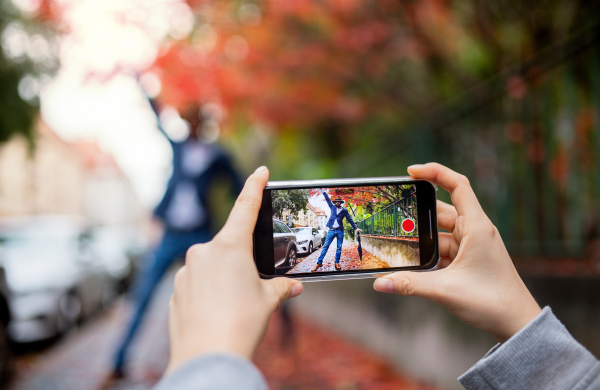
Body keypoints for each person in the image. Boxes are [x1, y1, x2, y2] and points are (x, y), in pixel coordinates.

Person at [153, 164, 600, 390]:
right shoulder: (336, 212)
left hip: (337, 238)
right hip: (333, 237)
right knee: (330, 249)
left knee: (332, 249)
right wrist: (523, 321)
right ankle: (333, 254)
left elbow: (341, 219)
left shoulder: (344, 214)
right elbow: (333, 214)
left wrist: (207, 359)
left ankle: (334, 255)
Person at [107, 102, 243, 381]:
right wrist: (143, 88)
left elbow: (238, 183)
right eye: (187, 121)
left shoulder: (217, 154)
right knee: (142, 294)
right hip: (170, 233)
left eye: (197, 121)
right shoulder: (178, 147)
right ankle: (118, 360)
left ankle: (210, 359)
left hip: (199, 235)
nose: (192, 125)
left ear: (204, 124)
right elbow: (158, 120)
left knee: (208, 295)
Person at [312, 190, 362, 272]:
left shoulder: (344, 211)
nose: (337, 203)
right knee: (325, 246)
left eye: (339, 202)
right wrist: (323, 191)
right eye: (336, 202)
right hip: (331, 230)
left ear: (340, 203)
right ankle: (319, 262)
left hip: (340, 231)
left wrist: (356, 228)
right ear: (335, 202)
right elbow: (327, 199)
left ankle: (337, 262)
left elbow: (350, 219)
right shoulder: (332, 207)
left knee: (339, 247)